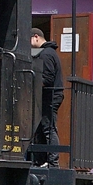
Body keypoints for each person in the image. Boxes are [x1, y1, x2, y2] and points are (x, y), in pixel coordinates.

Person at [30, 28, 63, 167]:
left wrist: (32, 82)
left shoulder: (46, 54)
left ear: (36, 37)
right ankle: (43, 160)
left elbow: (47, 79)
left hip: (49, 97)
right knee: (43, 127)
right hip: (50, 96)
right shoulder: (50, 53)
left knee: (48, 128)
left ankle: (52, 162)